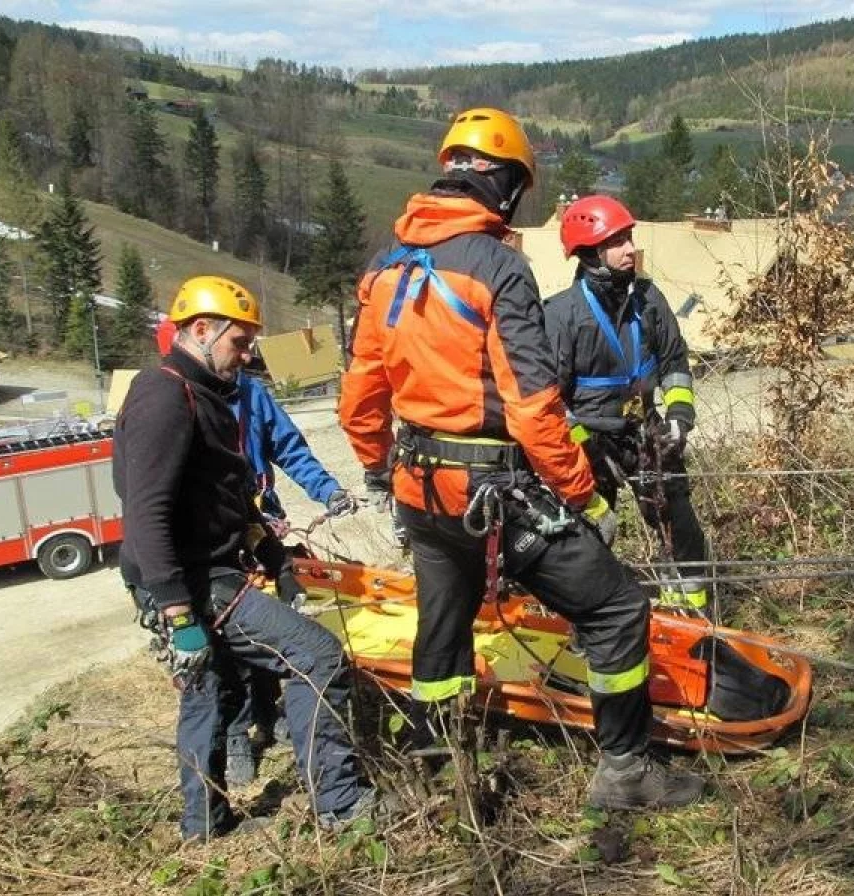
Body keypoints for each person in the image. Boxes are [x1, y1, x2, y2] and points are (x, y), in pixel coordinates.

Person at [339, 108, 704, 809]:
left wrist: (380, 468)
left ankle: (438, 775)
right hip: (493, 492)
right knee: (618, 609)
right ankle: (625, 773)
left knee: (442, 628)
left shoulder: (384, 269)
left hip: (422, 491)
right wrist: (584, 497)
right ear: (504, 184)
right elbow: (534, 408)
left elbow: (360, 394)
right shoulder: (499, 269)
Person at [116, 276, 371, 840]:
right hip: (193, 579)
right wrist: (179, 613)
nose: (250, 351)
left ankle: (203, 825)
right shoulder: (164, 397)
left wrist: (270, 548)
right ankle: (340, 803)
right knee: (316, 657)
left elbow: (226, 495)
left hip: (201, 570)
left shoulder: (205, 392)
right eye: (240, 339)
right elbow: (146, 513)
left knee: (212, 690)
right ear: (201, 330)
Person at [156, 319, 360, 784]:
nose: (243, 357)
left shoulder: (250, 395)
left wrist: (327, 491)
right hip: (218, 546)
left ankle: (271, 717)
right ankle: (235, 735)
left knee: (276, 634)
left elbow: (289, 447)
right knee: (230, 655)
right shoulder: (175, 401)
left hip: (259, 529)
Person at [544, 195, 712, 617]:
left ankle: (690, 612)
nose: (629, 249)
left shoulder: (649, 300)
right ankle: (595, 624)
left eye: (629, 239)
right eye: (616, 242)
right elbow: (549, 400)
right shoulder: (562, 315)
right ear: (588, 253)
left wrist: (678, 418)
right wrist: (586, 449)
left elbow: (674, 363)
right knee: (587, 539)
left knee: (679, 521)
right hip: (589, 441)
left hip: (646, 431)